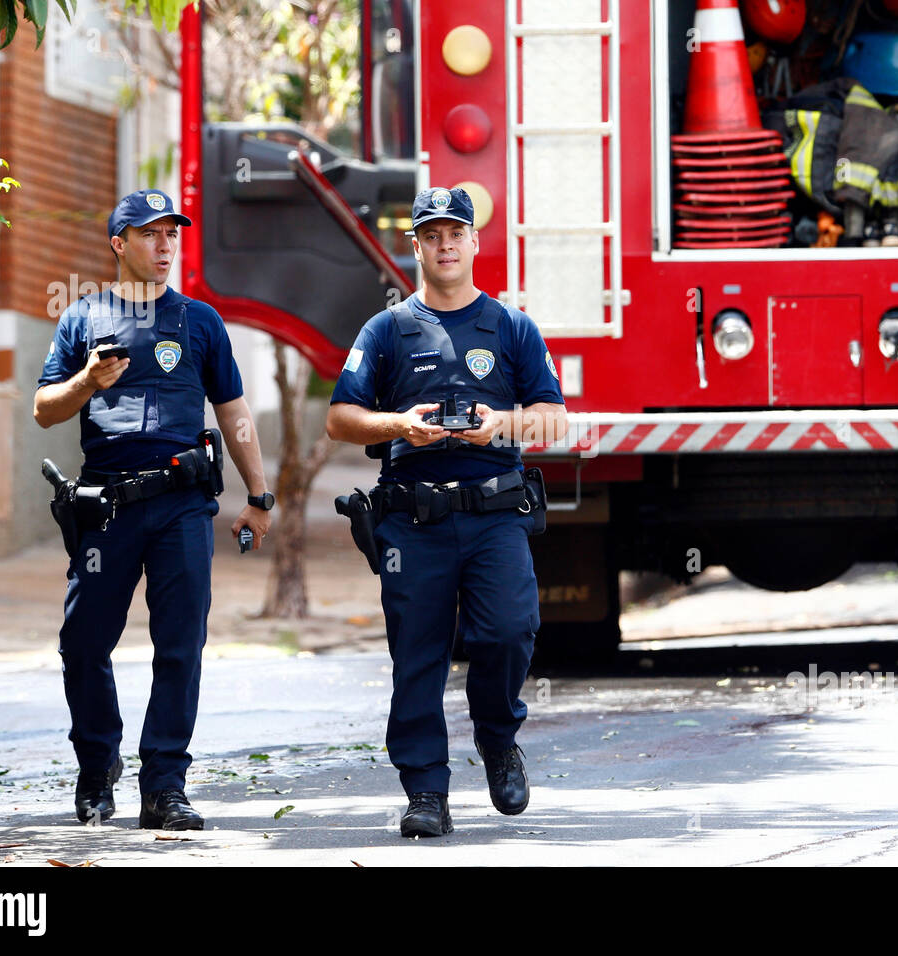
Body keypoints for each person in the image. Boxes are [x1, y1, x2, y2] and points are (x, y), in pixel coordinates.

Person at [327, 186, 568, 838]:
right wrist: (399, 423)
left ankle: (497, 738)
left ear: (474, 240)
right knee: (417, 657)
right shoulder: (386, 330)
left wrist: (501, 424)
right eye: (431, 234)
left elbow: (554, 419)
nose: (445, 244)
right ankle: (425, 791)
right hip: (414, 520)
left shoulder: (511, 327)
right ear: (416, 246)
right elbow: (340, 418)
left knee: (509, 632)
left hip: (495, 514)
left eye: (455, 231)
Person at [34, 189, 275, 830]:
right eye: (150, 235)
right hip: (107, 505)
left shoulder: (200, 322)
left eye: (172, 234)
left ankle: (164, 786)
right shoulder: (82, 318)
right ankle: (96, 768)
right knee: (82, 644)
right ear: (119, 244)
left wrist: (258, 495)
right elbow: (44, 409)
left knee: (180, 647)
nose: (165, 246)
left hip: (181, 505)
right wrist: (87, 382)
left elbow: (234, 412)